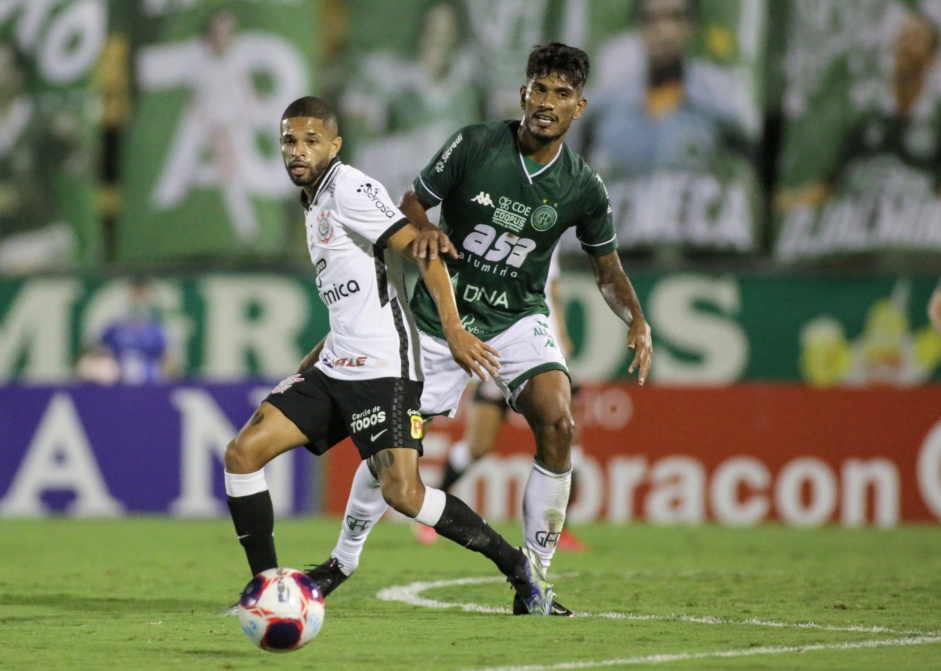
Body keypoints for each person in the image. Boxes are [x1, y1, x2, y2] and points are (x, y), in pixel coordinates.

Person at [305, 43, 654, 617]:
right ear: (523, 93)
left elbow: (608, 269)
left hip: (519, 320)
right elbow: (412, 203)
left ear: (579, 107)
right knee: (386, 451)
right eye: (539, 89)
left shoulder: (583, 187)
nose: (546, 102)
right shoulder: (475, 144)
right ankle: (343, 560)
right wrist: (424, 232)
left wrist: (637, 319)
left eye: (561, 94)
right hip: (438, 325)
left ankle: (535, 580)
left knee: (558, 421)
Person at [222, 96, 554, 616]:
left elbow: (426, 248)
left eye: (311, 140)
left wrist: (454, 330)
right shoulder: (311, 199)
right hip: (336, 363)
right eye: (289, 140)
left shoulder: (351, 188)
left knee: (405, 494)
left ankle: (516, 565)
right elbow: (349, 301)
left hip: (384, 367)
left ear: (334, 145)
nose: (298, 151)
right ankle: (269, 592)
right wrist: (308, 366)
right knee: (242, 455)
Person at [415, 248, 587, 552]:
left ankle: (558, 531)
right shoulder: (491, 225)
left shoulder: (551, 226)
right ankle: (433, 504)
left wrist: (560, 337)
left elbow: (553, 288)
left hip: (538, 348)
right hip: (499, 342)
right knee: (478, 446)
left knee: (564, 437)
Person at [98, 277, 171, 384]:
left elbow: (167, 359)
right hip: (118, 382)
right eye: (135, 294)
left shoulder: (157, 331)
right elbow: (96, 351)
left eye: (141, 295)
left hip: (149, 383)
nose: (138, 299)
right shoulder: (114, 328)